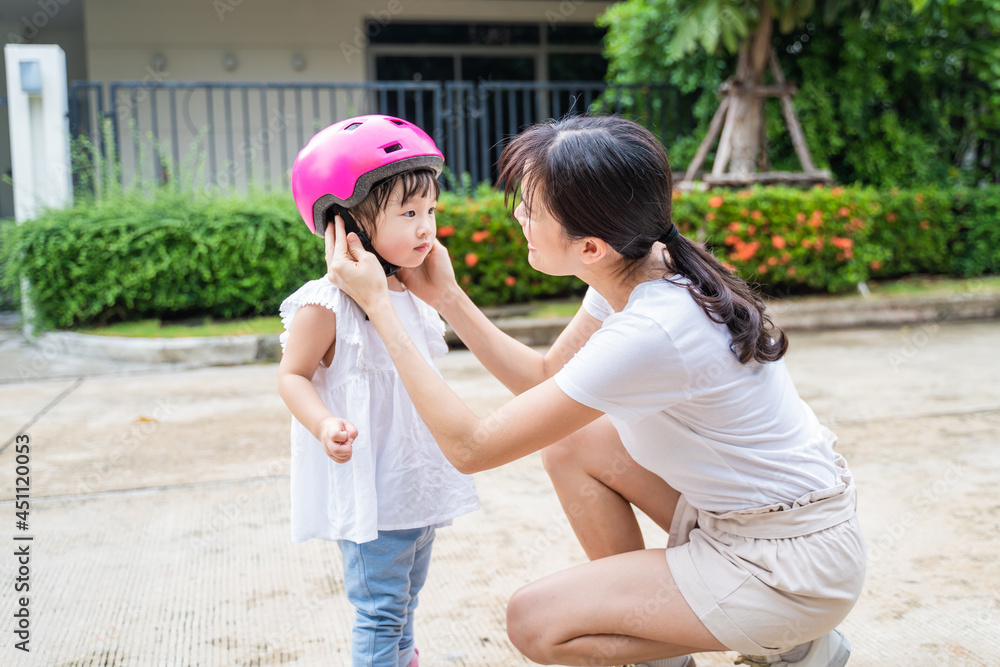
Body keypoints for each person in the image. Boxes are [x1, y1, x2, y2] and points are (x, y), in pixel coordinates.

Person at [326, 114, 867, 667]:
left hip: (785, 567)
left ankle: (789, 638)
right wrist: (449, 299)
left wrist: (378, 307)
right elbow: (544, 380)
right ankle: (694, 649)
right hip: (772, 526)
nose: (519, 216)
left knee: (534, 622)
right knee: (571, 442)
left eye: (531, 210)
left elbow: (472, 448)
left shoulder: (653, 329)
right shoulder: (645, 264)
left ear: (590, 248)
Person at [277, 115, 479, 667]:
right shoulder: (326, 306)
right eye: (408, 213)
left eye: (431, 211)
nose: (426, 228)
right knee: (380, 611)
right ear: (348, 230)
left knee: (406, 602)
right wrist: (323, 424)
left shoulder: (412, 293)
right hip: (374, 495)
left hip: (416, 489)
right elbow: (292, 376)